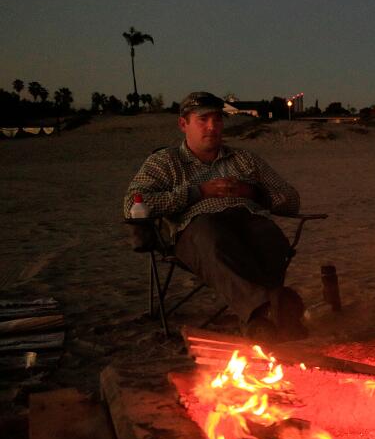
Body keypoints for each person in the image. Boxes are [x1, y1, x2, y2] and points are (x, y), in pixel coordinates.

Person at [124, 91, 306, 340]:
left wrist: (251, 192)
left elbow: (290, 199)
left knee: (268, 235)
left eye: (218, 119)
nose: (212, 126)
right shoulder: (165, 162)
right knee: (213, 236)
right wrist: (198, 192)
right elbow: (133, 203)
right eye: (203, 119)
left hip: (247, 220)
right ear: (183, 124)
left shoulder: (243, 160)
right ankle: (263, 311)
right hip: (195, 231)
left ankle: (266, 315)